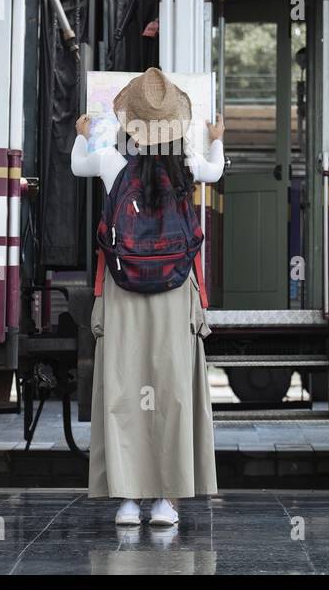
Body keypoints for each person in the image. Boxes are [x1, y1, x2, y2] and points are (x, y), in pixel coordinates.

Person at [71, 67, 225, 527]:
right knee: (171, 391)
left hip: (122, 290)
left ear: (128, 123)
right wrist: (216, 137)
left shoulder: (111, 164)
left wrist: (81, 134)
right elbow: (215, 171)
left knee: (124, 390)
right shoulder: (188, 168)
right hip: (176, 291)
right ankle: (166, 501)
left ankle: (127, 499)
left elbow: (78, 164)